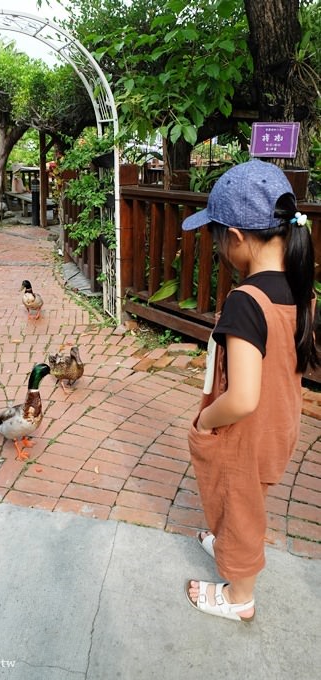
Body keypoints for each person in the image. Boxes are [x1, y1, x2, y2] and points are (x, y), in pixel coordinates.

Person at [181, 159, 319, 622]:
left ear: (237, 237)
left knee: (239, 508)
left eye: (218, 236)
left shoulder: (247, 301)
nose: (219, 246)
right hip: (279, 425)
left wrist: (205, 420)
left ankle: (239, 597)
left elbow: (242, 397)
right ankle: (226, 542)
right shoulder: (301, 290)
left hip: (246, 429)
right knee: (243, 500)